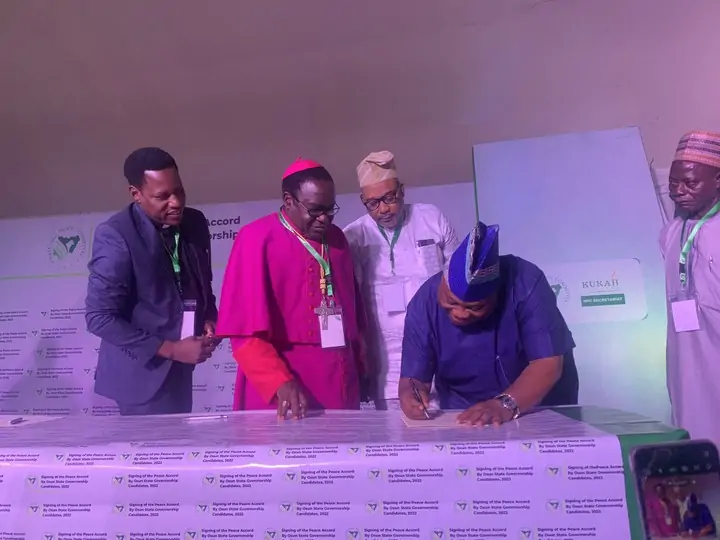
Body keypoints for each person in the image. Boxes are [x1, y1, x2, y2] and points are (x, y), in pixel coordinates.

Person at [216, 158, 367, 419]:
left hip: (338, 380)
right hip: (284, 383)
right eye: (315, 210)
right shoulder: (256, 239)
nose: (324, 219)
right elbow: (245, 334)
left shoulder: (337, 239)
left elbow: (353, 314)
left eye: (330, 210)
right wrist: (278, 380)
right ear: (289, 201)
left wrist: (360, 362)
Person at [398, 221, 579, 424]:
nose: (460, 313)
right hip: (463, 412)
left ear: (496, 293)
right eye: (451, 303)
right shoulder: (423, 302)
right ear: (442, 283)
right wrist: (410, 395)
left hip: (536, 406)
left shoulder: (526, 283)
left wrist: (504, 404)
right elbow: (413, 378)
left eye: (474, 307)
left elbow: (548, 363)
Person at [85, 147, 218, 415]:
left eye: (179, 191)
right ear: (136, 194)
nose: (176, 202)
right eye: (162, 196)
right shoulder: (116, 235)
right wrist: (172, 349)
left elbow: (201, 285)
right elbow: (99, 317)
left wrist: (209, 318)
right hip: (141, 377)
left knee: (181, 441)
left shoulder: (195, 222)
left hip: (182, 369)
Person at [343, 150, 460, 409]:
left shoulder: (431, 218)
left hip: (439, 347)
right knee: (395, 430)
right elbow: (351, 303)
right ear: (363, 201)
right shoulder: (354, 236)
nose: (383, 209)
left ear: (402, 191)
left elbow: (458, 278)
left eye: (389, 197)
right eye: (373, 203)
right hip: (386, 361)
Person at [660, 131, 720, 447]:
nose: (679, 192)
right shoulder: (672, 232)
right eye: (673, 184)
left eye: (690, 183)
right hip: (686, 361)